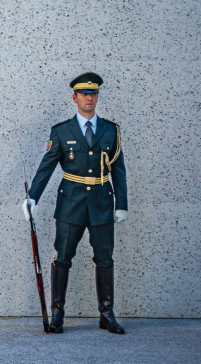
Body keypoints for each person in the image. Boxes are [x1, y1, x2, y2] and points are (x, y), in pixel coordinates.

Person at [22, 72, 127, 334]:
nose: (89, 98)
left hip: (102, 202)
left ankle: (106, 314)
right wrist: (32, 196)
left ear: (97, 97)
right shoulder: (61, 131)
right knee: (63, 257)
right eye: (84, 94)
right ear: (75, 97)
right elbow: (46, 167)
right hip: (71, 203)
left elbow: (119, 170)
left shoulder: (110, 130)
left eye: (93, 94)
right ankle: (58, 315)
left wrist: (121, 204)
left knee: (105, 258)